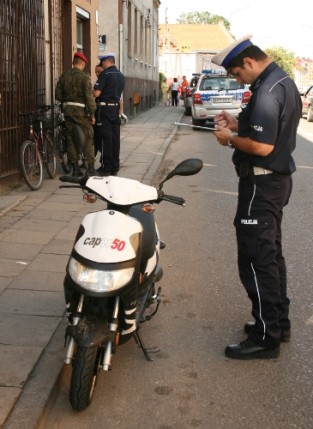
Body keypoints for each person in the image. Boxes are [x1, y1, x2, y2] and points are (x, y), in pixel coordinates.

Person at [211, 35, 302, 360]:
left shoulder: (265, 90)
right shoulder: (282, 81)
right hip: (276, 183)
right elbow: (272, 130)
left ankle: (267, 336)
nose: (238, 79)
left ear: (248, 62)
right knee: (271, 254)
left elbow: (263, 147)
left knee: (256, 259)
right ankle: (279, 322)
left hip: (261, 187)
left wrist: (230, 138)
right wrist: (239, 122)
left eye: (237, 73)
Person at [55, 52, 97, 177]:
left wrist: (67, 102)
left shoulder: (64, 76)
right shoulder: (84, 77)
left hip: (68, 112)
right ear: (83, 63)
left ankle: (75, 168)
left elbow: (58, 95)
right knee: (88, 138)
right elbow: (89, 97)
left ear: (74, 62)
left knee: (70, 139)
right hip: (81, 113)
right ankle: (90, 168)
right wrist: (92, 114)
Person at [93, 53, 125, 176]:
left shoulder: (105, 74)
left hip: (104, 111)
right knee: (115, 139)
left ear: (107, 62)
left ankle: (106, 168)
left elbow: (96, 93)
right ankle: (115, 167)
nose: (102, 65)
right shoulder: (121, 76)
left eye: (102, 63)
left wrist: (90, 92)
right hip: (115, 110)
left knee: (106, 139)